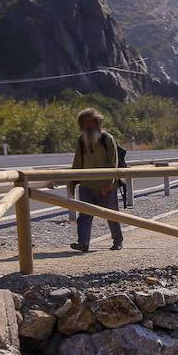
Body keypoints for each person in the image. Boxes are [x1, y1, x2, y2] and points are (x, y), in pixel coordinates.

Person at [68, 108, 124, 252]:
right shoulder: (81, 141)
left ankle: (118, 241)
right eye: (84, 123)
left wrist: (109, 184)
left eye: (90, 123)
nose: (87, 126)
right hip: (87, 185)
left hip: (106, 186)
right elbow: (78, 163)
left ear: (97, 122)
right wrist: (72, 182)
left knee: (112, 215)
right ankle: (83, 243)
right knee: (85, 215)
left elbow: (113, 163)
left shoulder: (107, 139)